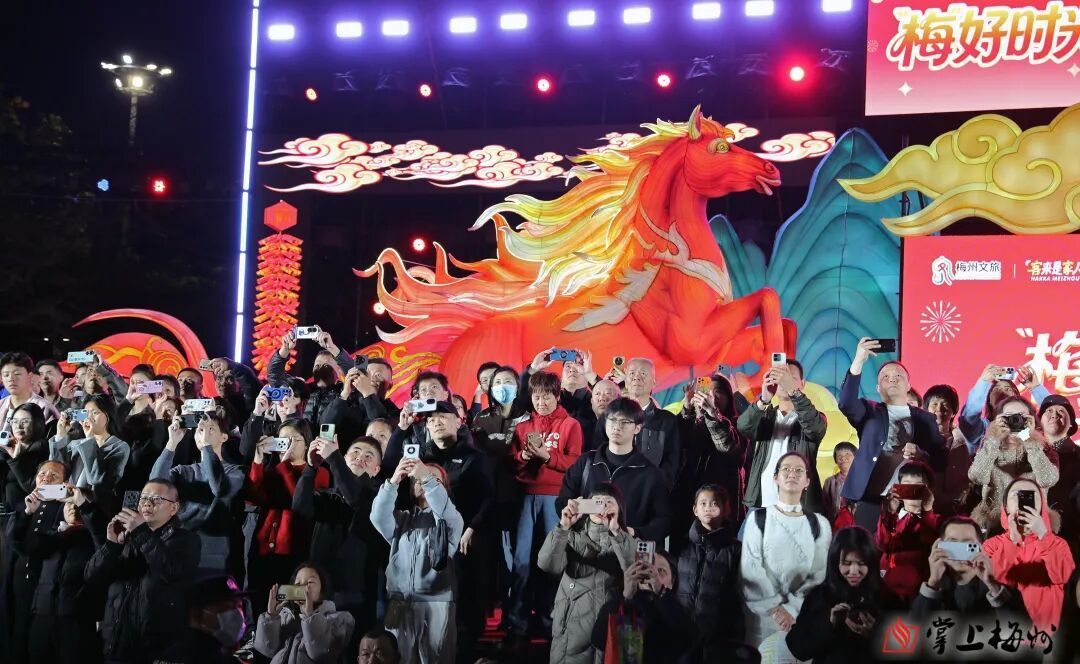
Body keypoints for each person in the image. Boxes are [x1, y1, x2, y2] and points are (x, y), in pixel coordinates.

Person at [83, 479, 202, 662]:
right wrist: (111, 545)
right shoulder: (125, 539)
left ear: (174, 508)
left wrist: (140, 531)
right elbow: (91, 577)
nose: (147, 503)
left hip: (158, 651)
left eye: (157, 499)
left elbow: (171, 572)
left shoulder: (187, 540)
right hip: (117, 646)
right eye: (144, 498)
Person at [505, 370, 583, 645]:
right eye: (536, 397)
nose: (541, 402)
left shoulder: (571, 425)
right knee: (521, 562)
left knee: (553, 562)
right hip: (526, 497)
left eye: (547, 396)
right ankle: (518, 625)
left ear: (557, 395)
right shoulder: (523, 427)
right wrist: (524, 456)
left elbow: (575, 463)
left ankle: (551, 623)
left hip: (556, 498)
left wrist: (547, 456)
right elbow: (513, 465)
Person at [839, 338, 945, 532]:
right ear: (878, 388)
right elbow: (846, 403)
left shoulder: (925, 419)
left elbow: (940, 460)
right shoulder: (869, 411)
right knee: (865, 547)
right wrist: (859, 360)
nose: (892, 379)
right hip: (869, 498)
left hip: (909, 501)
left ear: (908, 386)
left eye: (898, 376)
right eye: (885, 377)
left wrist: (921, 455)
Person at [2, 461, 99, 664]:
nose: (46, 478)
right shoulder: (25, 506)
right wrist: (27, 513)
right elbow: (17, 543)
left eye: (53, 476)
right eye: (42, 474)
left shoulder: (68, 509)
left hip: (54, 598)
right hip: (23, 591)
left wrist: (73, 512)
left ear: (64, 483)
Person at [370, 459, 464, 664]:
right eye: (418, 479)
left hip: (436, 602)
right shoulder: (401, 519)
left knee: (435, 659)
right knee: (398, 659)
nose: (422, 480)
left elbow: (445, 512)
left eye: (434, 479)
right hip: (399, 602)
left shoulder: (451, 520)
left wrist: (426, 477)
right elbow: (377, 516)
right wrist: (394, 481)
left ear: (445, 488)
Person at [294, 435, 386, 640]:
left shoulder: (379, 498)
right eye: (355, 452)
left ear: (376, 470)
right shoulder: (327, 496)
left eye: (369, 456)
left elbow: (354, 497)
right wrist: (311, 468)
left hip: (356, 593)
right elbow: (300, 507)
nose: (360, 458)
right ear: (345, 458)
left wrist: (333, 457)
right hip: (319, 590)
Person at [739, 452, 831, 647]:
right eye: (786, 469)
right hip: (763, 620)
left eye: (799, 470)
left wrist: (791, 609)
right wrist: (776, 609)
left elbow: (819, 574)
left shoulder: (820, 524)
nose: (792, 474)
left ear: (807, 481)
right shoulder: (758, 519)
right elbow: (751, 570)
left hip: (803, 618)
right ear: (775, 478)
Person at [539, 483, 637, 664]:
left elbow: (633, 570)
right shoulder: (570, 535)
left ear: (619, 508)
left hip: (611, 628)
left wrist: (616, 530)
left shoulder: (626, 538)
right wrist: (563, 526)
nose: (601, 507)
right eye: (596, 502)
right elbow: (547, 565)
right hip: (571, 628)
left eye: (608, 503)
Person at [557, 398, 672, 541]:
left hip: (625, 548)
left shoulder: (650, 473)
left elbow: (664, 520)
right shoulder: (586, 462)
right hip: (585, 546)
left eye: (625, 422)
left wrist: (634, 532)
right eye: (612, 420)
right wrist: (571, 510)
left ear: (637, 428)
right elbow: (562, 501)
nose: (617, 426)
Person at [246, 418, 331, 609]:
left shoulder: (318, 472)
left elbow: (299, 502)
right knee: (259, 602)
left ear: (307, 443)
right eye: (283, 440)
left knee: (287, 606)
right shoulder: (273, 470)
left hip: (293, 550)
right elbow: (253, 498)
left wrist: (284, 466)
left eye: (294, 440)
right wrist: (258, 460)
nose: (287, 445)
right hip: (262, 548)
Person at [151, 413, 246, 575]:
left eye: (210, 428)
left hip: (216, 553)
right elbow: (156, 486)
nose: (203, 432)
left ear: (223, 437)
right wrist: (172, 443)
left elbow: (219, 488)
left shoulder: (236, 471)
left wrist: (207, 447)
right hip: (181, 549)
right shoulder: (183, 471)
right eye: (200, 429)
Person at [785, 527, 897, 664]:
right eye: (846, 563)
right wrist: (829, 624)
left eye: (861, 563)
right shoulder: (820, 596)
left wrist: (876, 636)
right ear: (835, 562)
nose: (854, 571)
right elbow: (797, 648)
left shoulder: (887, 599)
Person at [982, 479, 1075, 633]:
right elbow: (997, 581)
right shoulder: (991, 545)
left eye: (1031, 495)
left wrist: (1043, 536)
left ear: (1041, 505)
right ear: (1006, 506)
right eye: (1016, 495)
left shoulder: (1058, 544)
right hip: (1007, 630)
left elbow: (1062, 575)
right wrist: (1013, 540)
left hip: (1047, 635)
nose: (1023, 500)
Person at [738, 360, 826, 514]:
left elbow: (815, 428)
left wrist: (792, 390)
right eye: (780, 376)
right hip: (761, 505)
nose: (785, 382)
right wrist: (763, 400)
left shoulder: (814, 418)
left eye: (791, 378)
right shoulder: (765, 416)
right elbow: (743, 427)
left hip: (797, 508)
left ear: (802, 384)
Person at [968, 396, 1059, 532]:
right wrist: (995, 439)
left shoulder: (1043, 447)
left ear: (1031, 419)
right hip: (994, 525)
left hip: (1032, 524)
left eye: (1021, 416)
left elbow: (1048, 480)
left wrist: (1029, 439)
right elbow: (977, 476)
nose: (1015, 420)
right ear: (999, 419)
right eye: (1009, 416)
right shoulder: (990, 446)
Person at [676, 484, 744, 660]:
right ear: (695, 510)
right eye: (703, 503)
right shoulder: (683, 546)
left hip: (718, 638)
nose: (708, 508)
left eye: (715, 503)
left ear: (726, 509)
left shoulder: (735, 549)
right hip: (683, 634)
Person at [592, 551, 695, 663]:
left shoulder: (677, 610)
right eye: (646, 569)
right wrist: (624, 597)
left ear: (672, 580)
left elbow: (688, 641)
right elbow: (598, 640)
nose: (652, 575)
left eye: (661, 571)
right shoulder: (626, 604)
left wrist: (661, 593)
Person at [910, 516, 1020, 620]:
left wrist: (993, 585)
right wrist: (933, 582)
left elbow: (1016, 626)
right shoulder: (928, 584)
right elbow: (914, 626)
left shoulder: (1000, 586)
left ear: (980, 547)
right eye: (953, 543)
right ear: (940, 547)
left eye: (968, 544)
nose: (959, 551)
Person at [680, 374, 748, 527]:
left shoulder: (738, 424)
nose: (710, 396)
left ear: (728, 397)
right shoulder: (694, 423)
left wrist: (712, 413)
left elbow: (726, 446)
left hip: (723, 503)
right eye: (705, 391)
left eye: (716, 392)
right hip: (691, 501)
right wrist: (687, 407)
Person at [255, 563, 355, 664]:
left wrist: (310, 616)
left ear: (322, 591)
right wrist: (271, 616)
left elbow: (320, 653)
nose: (303, 587)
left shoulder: (339, 619)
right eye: (298, 583)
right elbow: (267, 650)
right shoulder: (285, 617)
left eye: (310, 582)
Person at [877, 461, 940, 602]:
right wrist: (889, 513)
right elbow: (882, 544)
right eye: (906, 484)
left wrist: (928, 511)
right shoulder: (891, 518)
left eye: (918, 485)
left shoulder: (937, 520)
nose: (912, 490)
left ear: (929, 489)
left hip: (920, 591)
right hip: (888, 590)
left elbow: (928, 544)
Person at [152, 575, 249, 664]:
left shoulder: (172, 654)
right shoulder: (196, 658)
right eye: (227, 607)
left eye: (239, 606)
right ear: (197, 615)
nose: (237, 614)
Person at [49, 394, 131, 500]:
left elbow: (96, 479)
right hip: (66, 503)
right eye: (86, 413)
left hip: (93, 505)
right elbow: (55, 471)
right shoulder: (76, 444)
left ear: (108, 415)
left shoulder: (119, 447)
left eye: (95, 413)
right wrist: (60, 435)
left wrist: (89, 440)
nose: (89, 418)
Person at [960, 364, 1050, 455]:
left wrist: (1035, 387)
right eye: (996, 389)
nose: (1002, 392)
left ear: (1016, 396)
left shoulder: (1029, 427)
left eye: (1007, 389)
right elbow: (969, 418)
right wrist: (984, 381)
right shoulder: (983, 430)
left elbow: (1053, 413)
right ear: (989, 400)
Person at [922, 384, 972, 517]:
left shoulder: (965, 442)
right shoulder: (917, 439)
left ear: (953, 412)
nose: (939, 409)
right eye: (934, 404)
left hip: (955, 511)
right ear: (926, 409)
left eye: (945, 404)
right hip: (923, 510)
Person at [1038, 395, 1079, 549]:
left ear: (1071, 423)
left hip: (1070, 540)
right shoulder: (1027, 453)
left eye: (1061, 411)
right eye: (1049, 411)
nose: (1054, 415)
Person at [0, 403, 50, 512]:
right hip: (5, 513)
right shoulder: (6, 448)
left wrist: (16, 459)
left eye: (25, 421)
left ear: (37, 423)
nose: (18, 426)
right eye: (15, 421)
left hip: (28, 513)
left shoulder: (45, 450)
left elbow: (36, 490)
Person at [0, 352, 60, 427]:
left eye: (17, 374)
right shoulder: (1, 405)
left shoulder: (44, 408)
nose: (11, 379)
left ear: (30, 376)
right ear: (1, 378)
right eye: (6, 375)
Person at [822, 442, 856, 523]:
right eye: (839, 456)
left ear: (856, 457)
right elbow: (825, 505)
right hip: (836, 523)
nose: (843, 458)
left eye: (847, 454)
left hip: (858, 522)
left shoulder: (863, 479)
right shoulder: (830, 481)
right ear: (835, 460)